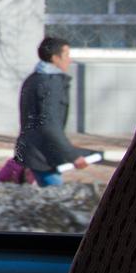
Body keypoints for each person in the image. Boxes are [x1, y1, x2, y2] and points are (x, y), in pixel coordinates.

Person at [14, 36, 90, 186]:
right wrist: (72, 155)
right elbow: (49, 125)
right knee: (55, 202)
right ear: (55, 58)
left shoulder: (34, 78)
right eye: (67, 55)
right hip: (42, 157)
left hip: (34, 152)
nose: (70, 60)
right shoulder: (50, 83)